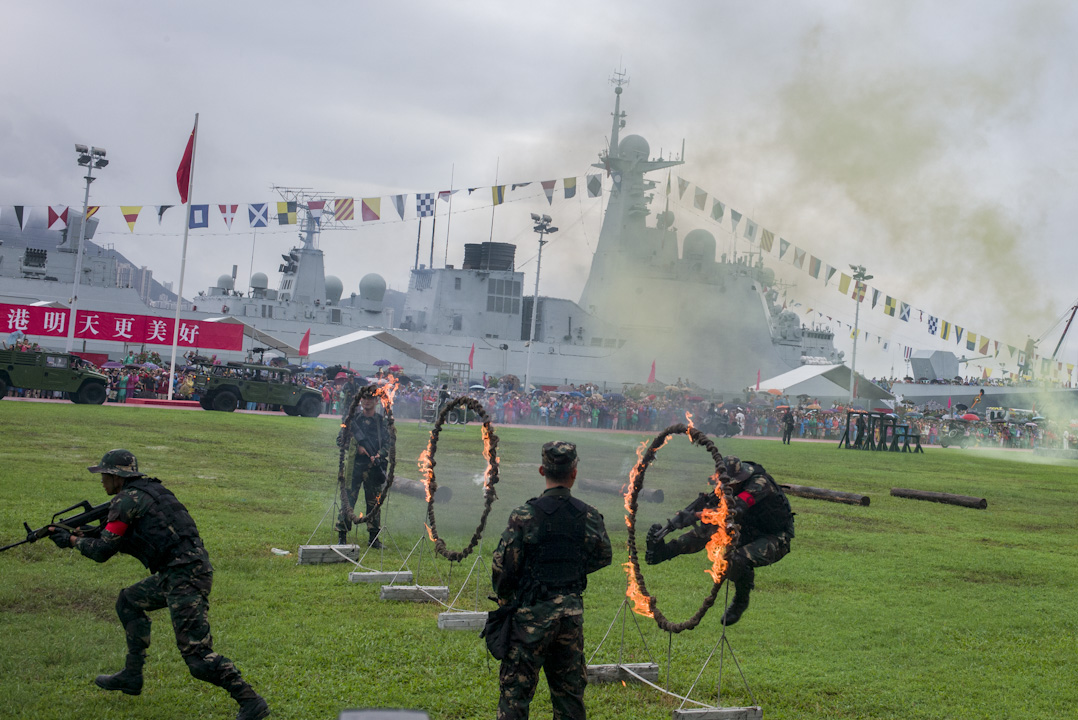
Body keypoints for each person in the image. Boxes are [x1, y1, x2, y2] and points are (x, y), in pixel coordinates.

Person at [48, 449, 269, 720]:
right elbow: (121, 536)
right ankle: (132, 675)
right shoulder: (149, 491)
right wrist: (85, 534)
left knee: (198, 658)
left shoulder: (126, 500)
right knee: (128, 601)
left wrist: (72, 541)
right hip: (179, 571)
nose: (102, 480)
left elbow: (102, 551)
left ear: (118, 476)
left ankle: (251, 702)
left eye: (104, 475)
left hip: (184, 577)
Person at [491, 441, 612, 720]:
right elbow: (603, 554)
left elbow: (504, 567)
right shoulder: (588, 515)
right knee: (569, 697)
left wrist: (505, 597)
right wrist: (573, 571)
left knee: (515, 696)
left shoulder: (524, 515)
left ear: (542, 469)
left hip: (530, 617)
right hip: (570, 615)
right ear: (574, 473)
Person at [645, 456, 794, 627]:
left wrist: (695, 515)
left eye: (729, 484)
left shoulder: (759, 483)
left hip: (776, 536)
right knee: (707, 531)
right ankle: (664, 551)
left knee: (734, 560)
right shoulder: (724, 488)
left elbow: (733, 511)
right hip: (745, 530)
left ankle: (740, 600)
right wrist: (689, 516)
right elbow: (715, 515)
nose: (724, 488)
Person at [336, 394, 390, 547]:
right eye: (365, 398)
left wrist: (380, 454)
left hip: (373, 468)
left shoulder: (381, 422)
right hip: (355, 467)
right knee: (348, 500)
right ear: (360, 400)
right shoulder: (354, 420)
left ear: (376, 401)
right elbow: (340, 439)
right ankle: (342, 535)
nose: (367, 401)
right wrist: (356, 447)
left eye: (371, 398)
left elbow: (389, 443)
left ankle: (374, 538)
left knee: (374, 503)